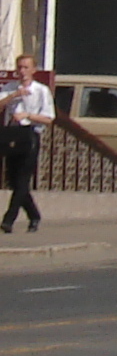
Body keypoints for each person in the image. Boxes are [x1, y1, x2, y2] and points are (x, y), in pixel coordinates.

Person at [0, 58, 46, 233]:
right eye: (19, 67)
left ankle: (8, 220)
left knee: (22, 179)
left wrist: (29, 115)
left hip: (30, 134)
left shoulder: (41, 91)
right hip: (11, 134)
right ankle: (34, 215)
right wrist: (13, 95)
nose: (22, 71)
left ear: (33, 70)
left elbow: (49, 118)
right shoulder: (10, 88)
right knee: (13, 180)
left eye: (26, 67)